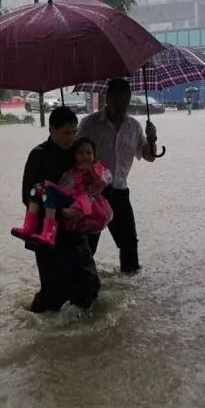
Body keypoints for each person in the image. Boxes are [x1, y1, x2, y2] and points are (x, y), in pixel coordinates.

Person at [20, 107, 100, 313]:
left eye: (74, 132)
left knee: (89, 284)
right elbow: (28, 196)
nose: (71, 137)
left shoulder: (77, 154)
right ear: (52, 130)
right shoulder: (38, 156)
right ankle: (32, 314)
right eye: (66, 132)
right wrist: (63, 212)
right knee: (54, 294)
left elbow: (93, 175)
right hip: (48, 233)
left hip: (75, 230)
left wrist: (95, 186)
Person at [77, 78, 160, 274]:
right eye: (117, 101)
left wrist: (152, 138)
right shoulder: (90, 124)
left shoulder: (134, 127)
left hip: (120, 194)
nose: (122, 106)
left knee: (129, 245)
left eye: (126, 101)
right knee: (86, 247)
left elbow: (149, 157)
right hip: (92, 194)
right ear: (107, 98)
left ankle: (130, 288)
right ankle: (83, 287)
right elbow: (75, 155)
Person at [12, 137, 113, 248]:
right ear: (75, 156)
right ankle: (29, 227)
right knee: (38, 189)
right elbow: (64, 185)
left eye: (89, 153)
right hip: (72, 197)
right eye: (80, 153)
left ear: (94, 156)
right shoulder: (71, 171)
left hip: (84, 201)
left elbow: (107, 178)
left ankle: (49, 232)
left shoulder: (97, 167)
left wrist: (97, 180)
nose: (85, 156)